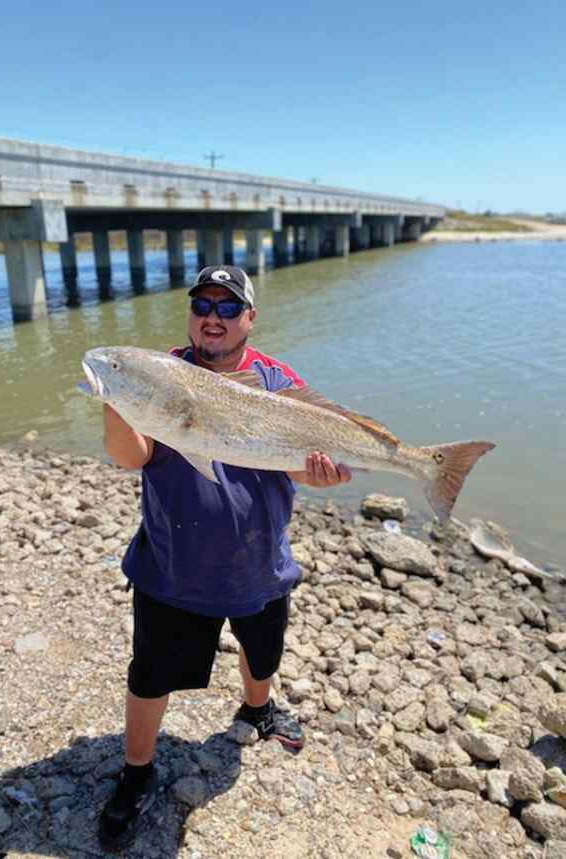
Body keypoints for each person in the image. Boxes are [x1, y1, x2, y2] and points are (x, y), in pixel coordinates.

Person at [98, 265, 351, 851]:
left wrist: (320, 474)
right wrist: (116, 395)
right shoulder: (161, 373)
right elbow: (130, 456)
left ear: (249, 319)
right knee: (150, 674)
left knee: (261, 654)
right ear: (192, 315)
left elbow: (294, 465)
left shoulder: (278, 381)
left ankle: (257, 712)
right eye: (203, 305)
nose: (213, 316)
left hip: (259, 561)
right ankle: (136, 774)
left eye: (227, 307)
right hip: (173, 563)